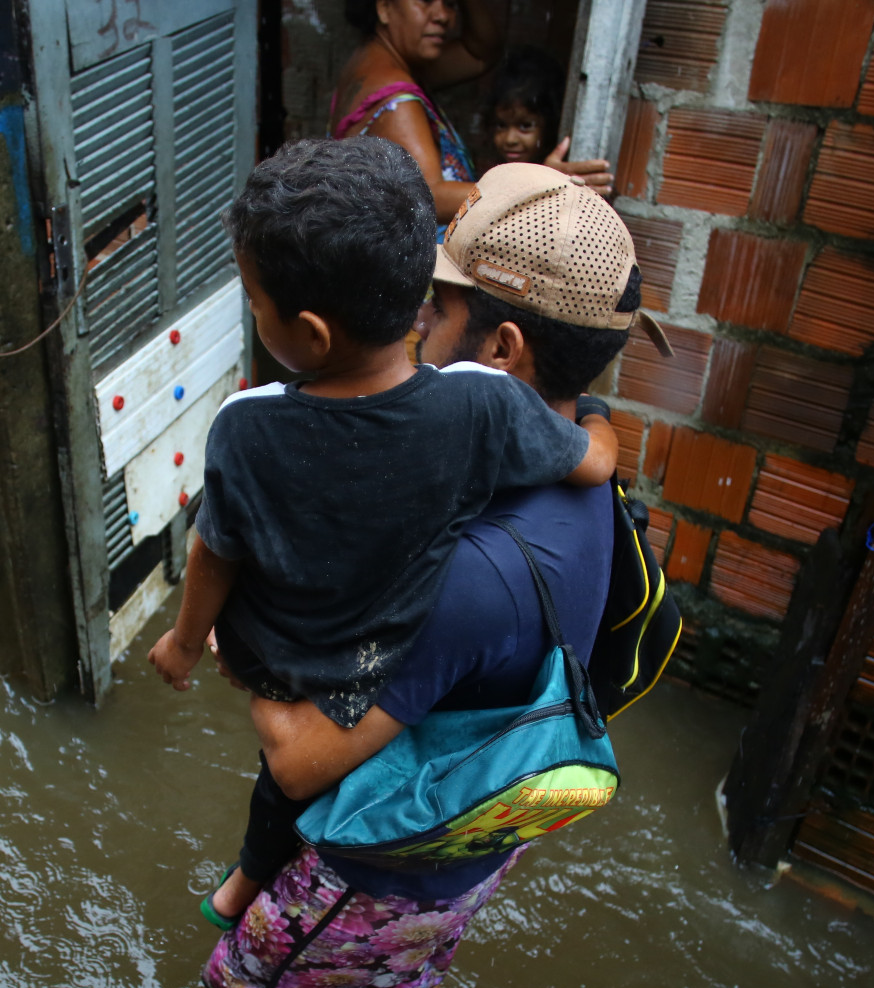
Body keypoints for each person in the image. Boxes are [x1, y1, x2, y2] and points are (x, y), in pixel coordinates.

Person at [201, 163, 671, 988]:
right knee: (413, 958)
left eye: (436, 307)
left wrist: (239, 645)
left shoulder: (471, 576)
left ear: (501, 346)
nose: (414, 323)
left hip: (379, 854)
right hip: (478, 827)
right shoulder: (583, 466)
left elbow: (300, 760)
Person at [146, 141, 619, 924]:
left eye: (255, 304)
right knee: (410, 964)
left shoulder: (249, 426)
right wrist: (602, 421)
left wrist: (196, 645)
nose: (429, 310)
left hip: (321, 738)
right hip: (457, 799)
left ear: (309, 331)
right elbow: (591, 464)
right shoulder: (486, 411)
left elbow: (216, 553)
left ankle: (242, 886)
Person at [328, 0, 611, 227]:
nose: (443, 16)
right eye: (426, 1)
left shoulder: (374, 64)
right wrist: (537, 187)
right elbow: (431, 197)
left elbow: (481, 52)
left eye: (450, 3)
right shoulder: (397, 103)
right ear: (384, 7)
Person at [482, 46, 566, 168]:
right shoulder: (498, 173)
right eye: (501, 125)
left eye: (525, 126)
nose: (510, 139)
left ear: (550, 127)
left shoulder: (560, 174)